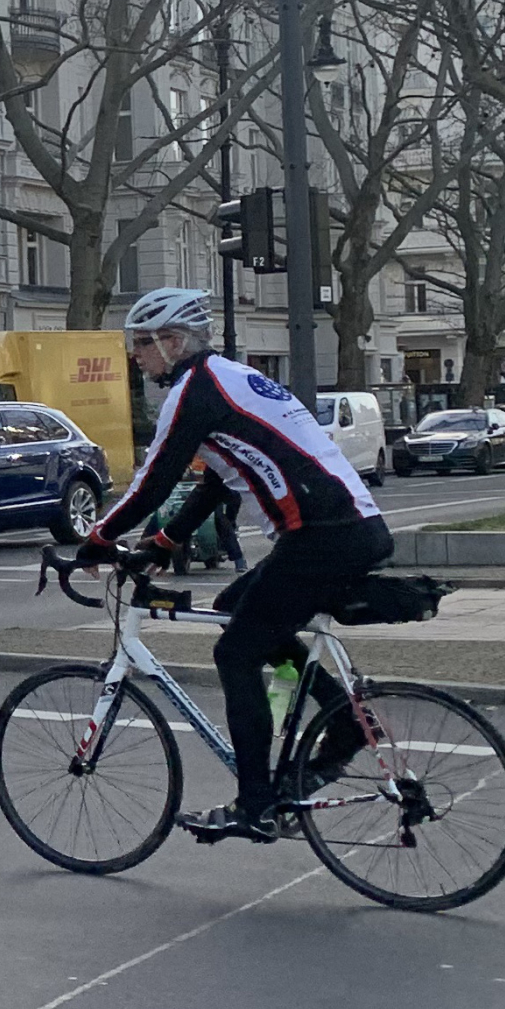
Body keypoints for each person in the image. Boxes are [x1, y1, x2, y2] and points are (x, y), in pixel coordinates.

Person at [81, 287, 385, 843]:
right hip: (346, 528)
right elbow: (222, 474)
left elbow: (155, 478)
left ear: (172, 342)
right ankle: (340, 720)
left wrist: (99, 537)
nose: (135, 355)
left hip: (323, 534)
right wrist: (166, 540)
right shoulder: (229, 377)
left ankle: (257, 803)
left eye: (141, 344)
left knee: (235, 652)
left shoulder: (193, 390)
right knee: (233, 607)